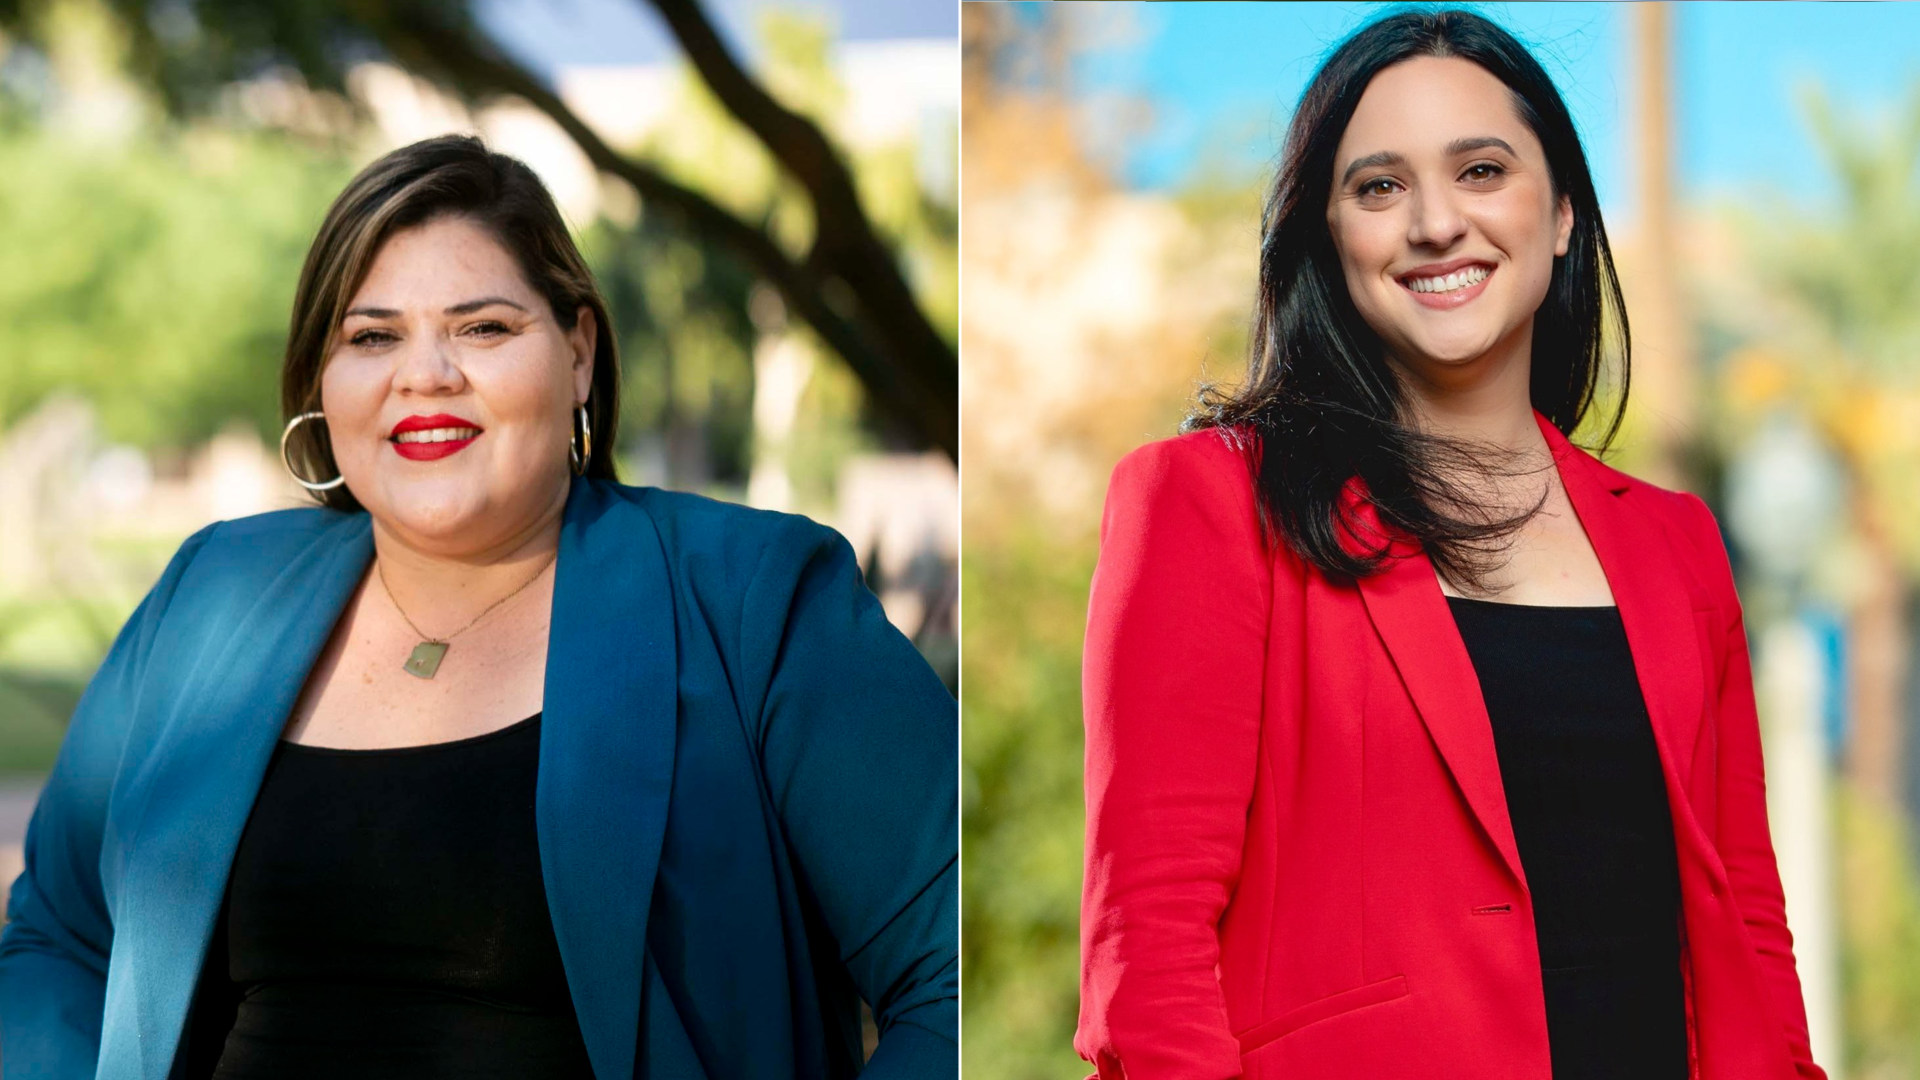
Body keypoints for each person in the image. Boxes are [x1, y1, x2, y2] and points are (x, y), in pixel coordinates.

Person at [0, 134, 957, 1080]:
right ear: (321, 386)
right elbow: (58, 940)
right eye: (372, 336)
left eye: (483, 328)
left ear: (578, 354)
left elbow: (950, 976)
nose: (425, 374)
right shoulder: (211, 594)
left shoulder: (756, 599)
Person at [1077, 11, 1822, 1080]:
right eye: (1377, 187)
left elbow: (1748, 922)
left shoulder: (1676, 543)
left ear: (1562, 212)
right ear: (1329, 238)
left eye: (1481, 170)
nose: (1435, 222)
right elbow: (1146, 949)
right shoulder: (1205, 504)